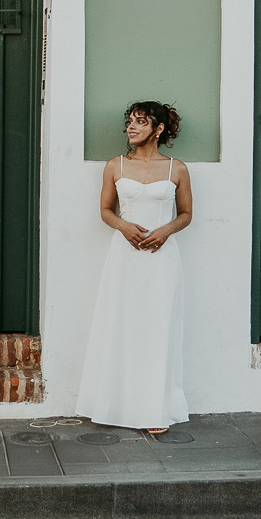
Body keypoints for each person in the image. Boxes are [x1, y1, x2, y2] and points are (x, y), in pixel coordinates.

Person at [75, 100, 192, 434]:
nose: (131, 127)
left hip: (161, 261)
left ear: (158, 129)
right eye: (129, 121)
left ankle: (154, 411)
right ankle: (114, 406)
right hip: (124, 258)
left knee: (158, 329)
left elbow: (185, 214)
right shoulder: (115, 166)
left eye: (140, 122)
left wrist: (165, 231)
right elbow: (105, 210)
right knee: (120, 326)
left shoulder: (177, 169)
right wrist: (124, 226)